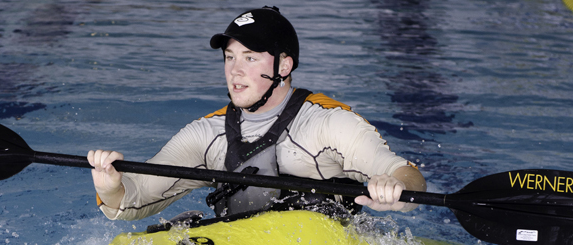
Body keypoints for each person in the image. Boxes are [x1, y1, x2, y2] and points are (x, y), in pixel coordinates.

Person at [87, 6, 426, 221]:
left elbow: (410, 179)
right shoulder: (206, 135)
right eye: (230, 57)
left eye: (250, 58)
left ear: (283, 65)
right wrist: (112, 187)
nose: (235, 71)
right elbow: (132, 201)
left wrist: (393, 187)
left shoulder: (328, 123)